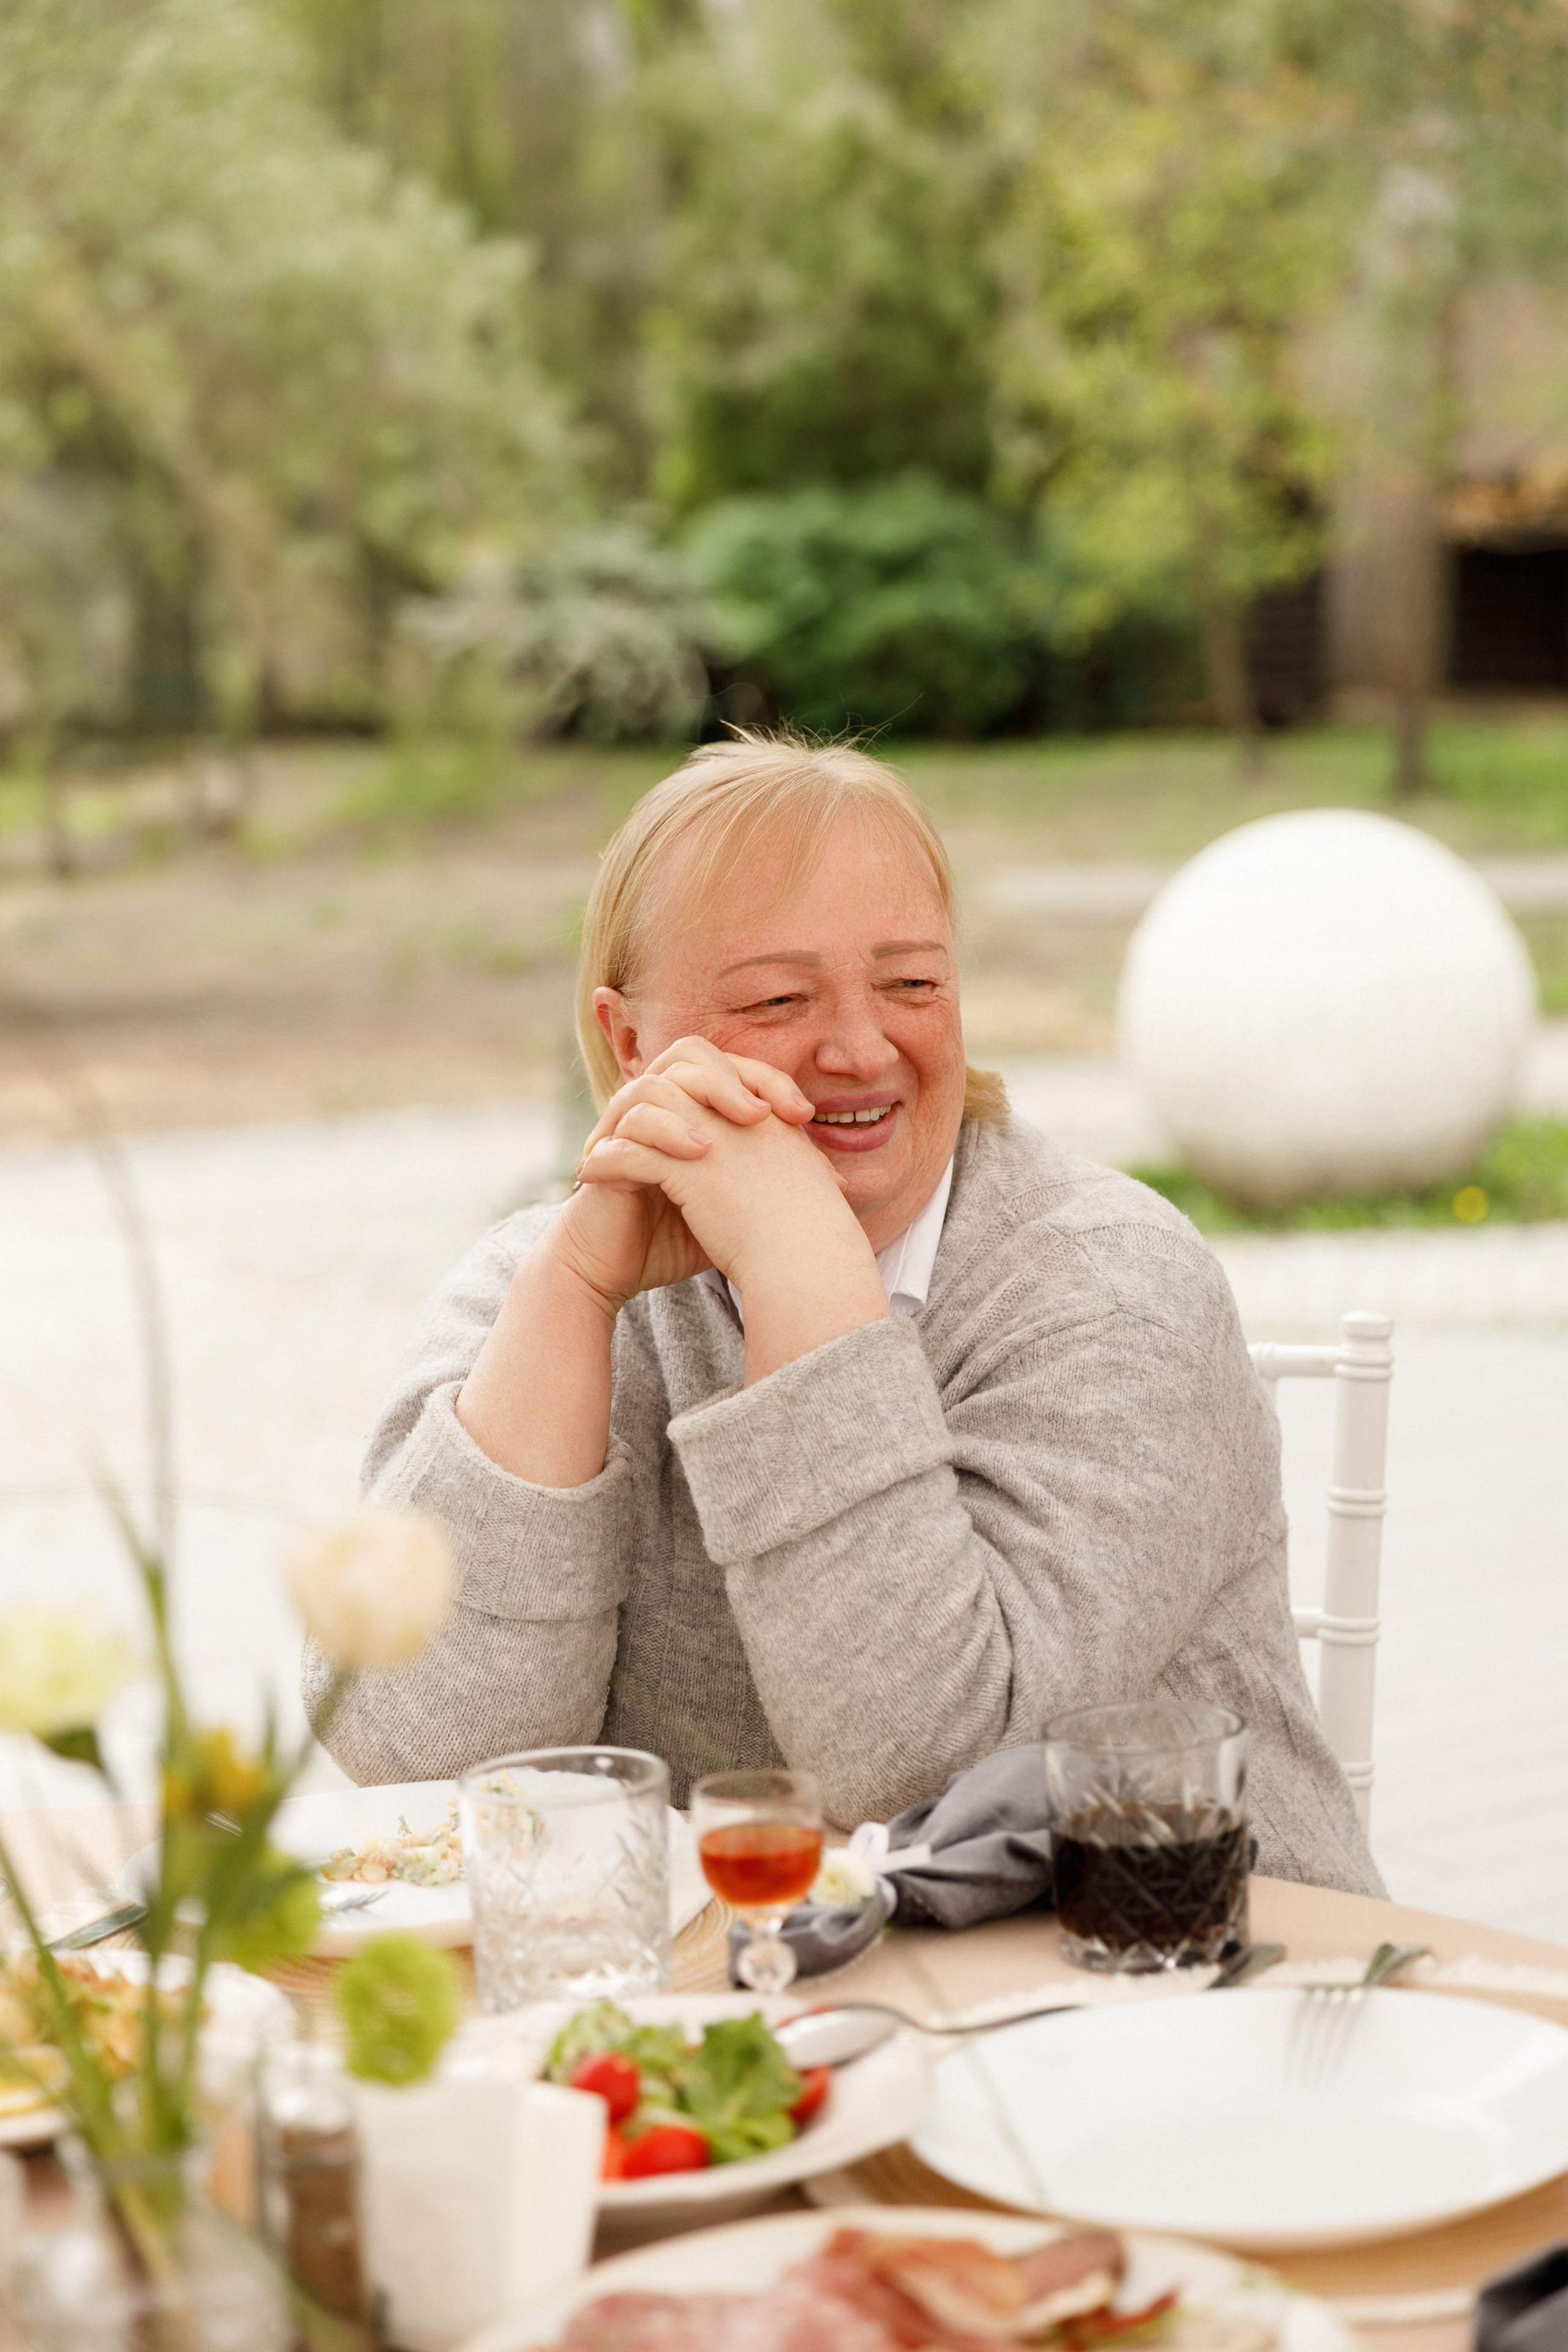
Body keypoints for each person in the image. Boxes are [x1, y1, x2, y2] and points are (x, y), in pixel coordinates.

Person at [305, 733, 1380, 1894]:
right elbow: (418, 1761)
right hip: (731, 2011)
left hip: (1177, 1990)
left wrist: (797, 1262)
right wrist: (568, 1296)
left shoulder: (1116, 1287)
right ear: (628, 1045)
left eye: (913, 983)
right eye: (778, 998)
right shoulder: (540, 1278)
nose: (864, 1049)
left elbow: (935, 1779)